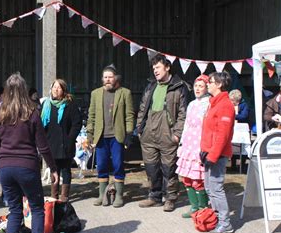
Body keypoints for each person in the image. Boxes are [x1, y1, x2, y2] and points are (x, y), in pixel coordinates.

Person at [0, 73, 58, 233]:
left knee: (14, 209)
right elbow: (43, 146)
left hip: (6, 168)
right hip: (27, 166)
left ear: (7, 92)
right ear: (24, 91)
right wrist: (53, 168)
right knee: (36, 208)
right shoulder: (32, 113)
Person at [137, 54, 189, 212]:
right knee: (151, 167)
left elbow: (183, 114)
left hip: (168, 133)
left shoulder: (179, 87)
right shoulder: (151, 86)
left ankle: (170, 198)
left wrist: (177, 134)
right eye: (153, 68)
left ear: (167, 67)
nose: (155, 71)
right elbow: (142, 108)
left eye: (158, 67)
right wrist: (140, 129)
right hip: (149, 134)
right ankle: (154, 196)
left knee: (168, 168)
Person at [86, 64, 135, 208]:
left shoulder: (125, 93)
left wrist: (129, 133)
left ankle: (119, 195)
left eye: (110, 77)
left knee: (118, 165)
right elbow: (92, 115)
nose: (108, 79)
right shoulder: (95, 94)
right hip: (101, 136)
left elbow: (130, 115)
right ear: (102, 79)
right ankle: (102, 194)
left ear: (115, 78)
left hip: (117, 136)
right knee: (101, 165)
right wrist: (90, 133)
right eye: (105, 77)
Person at [200, 71, 235, 233]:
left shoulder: (225, 105)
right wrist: (204, 151)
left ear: (219, 84)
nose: (208, 84)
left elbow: (223, 135)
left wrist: (213, 155)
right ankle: (215, 217)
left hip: (217, 155)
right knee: (209, 187)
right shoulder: (213, 103)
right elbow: (208, 130)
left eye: (211, 82)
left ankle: (225, 222)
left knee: (216, 188)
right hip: (209, 153)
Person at [175, 75, 210, 218]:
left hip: (200, 145)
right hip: (188, 145)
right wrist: (181, 143)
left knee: (198, 179)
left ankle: (203, 208)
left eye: (201, 86)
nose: (198, 88)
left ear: (207, 88)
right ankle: (194, 207)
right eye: (196, 86)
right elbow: (187, 125)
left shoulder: (209, 103)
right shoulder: (191, 104)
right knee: (186, 178)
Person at [41, 79, 82, 202]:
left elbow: (77, 124)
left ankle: (64, 196)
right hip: (51, 143)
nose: (56, 90)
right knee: (54, 169)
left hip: (65, 143)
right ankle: (54, 194)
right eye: (54, 87)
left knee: (65, 170)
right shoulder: (46, 105)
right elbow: (42, 124)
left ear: (64, 90)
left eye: (59, 88)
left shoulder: (70, 104)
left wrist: (70, 138)